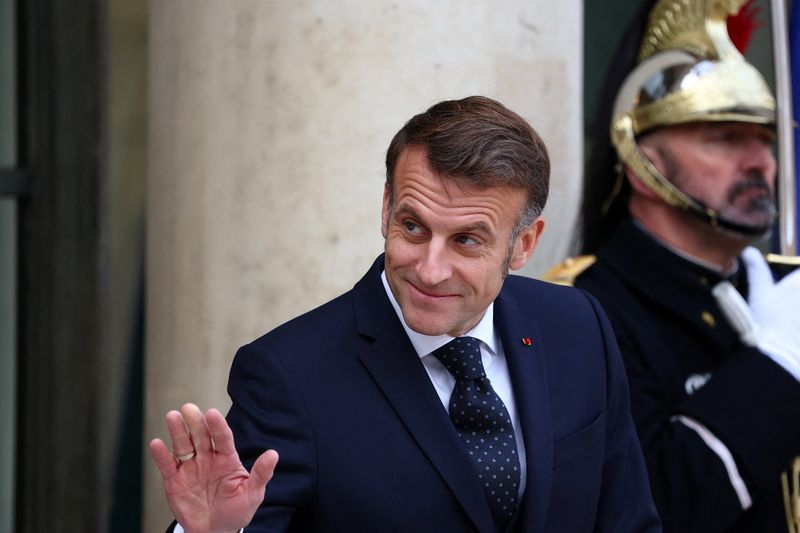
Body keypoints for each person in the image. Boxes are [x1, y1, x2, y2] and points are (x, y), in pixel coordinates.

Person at [149, 96, 661, 533]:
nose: (430, 270)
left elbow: (628, 519)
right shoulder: (289, 376)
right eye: (413, 227)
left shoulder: (578, 326)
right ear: (386, 208)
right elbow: (236, 514)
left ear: (524, 244)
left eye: (466, 240)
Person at [546, 0, 800, 531]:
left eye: (765, 140)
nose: (761, 162)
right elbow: (650, 505)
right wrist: (777, 368)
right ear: (644, 164)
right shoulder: (581, 313)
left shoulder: (784, 290)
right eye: (726, 138)